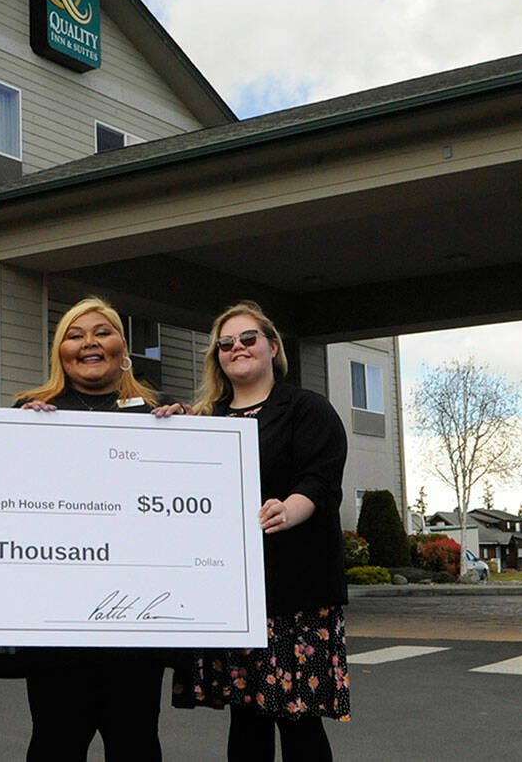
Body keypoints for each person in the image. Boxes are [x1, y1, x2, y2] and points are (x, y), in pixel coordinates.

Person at [0, 296, 174, 762]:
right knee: (55, 742)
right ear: (59, 351)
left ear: (122, 347)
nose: (89, 343)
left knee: (136, 744)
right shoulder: (29, 411)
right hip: (57, 625)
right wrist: (16, 445)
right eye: (74, 334)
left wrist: (184, 441)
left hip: (135, 620)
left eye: (101, 332)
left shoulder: (160, 415)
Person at [172, 301, 350, 761]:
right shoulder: (204, 420)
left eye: (248, 338)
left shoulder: (307, 409)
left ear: (273, 346)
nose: (237, 348)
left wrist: (290, 510)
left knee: (299, 721)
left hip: (295, 592)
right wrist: (168, 431)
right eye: (225, 343)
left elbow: (322, 478)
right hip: (231, 594)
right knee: (246, 720)